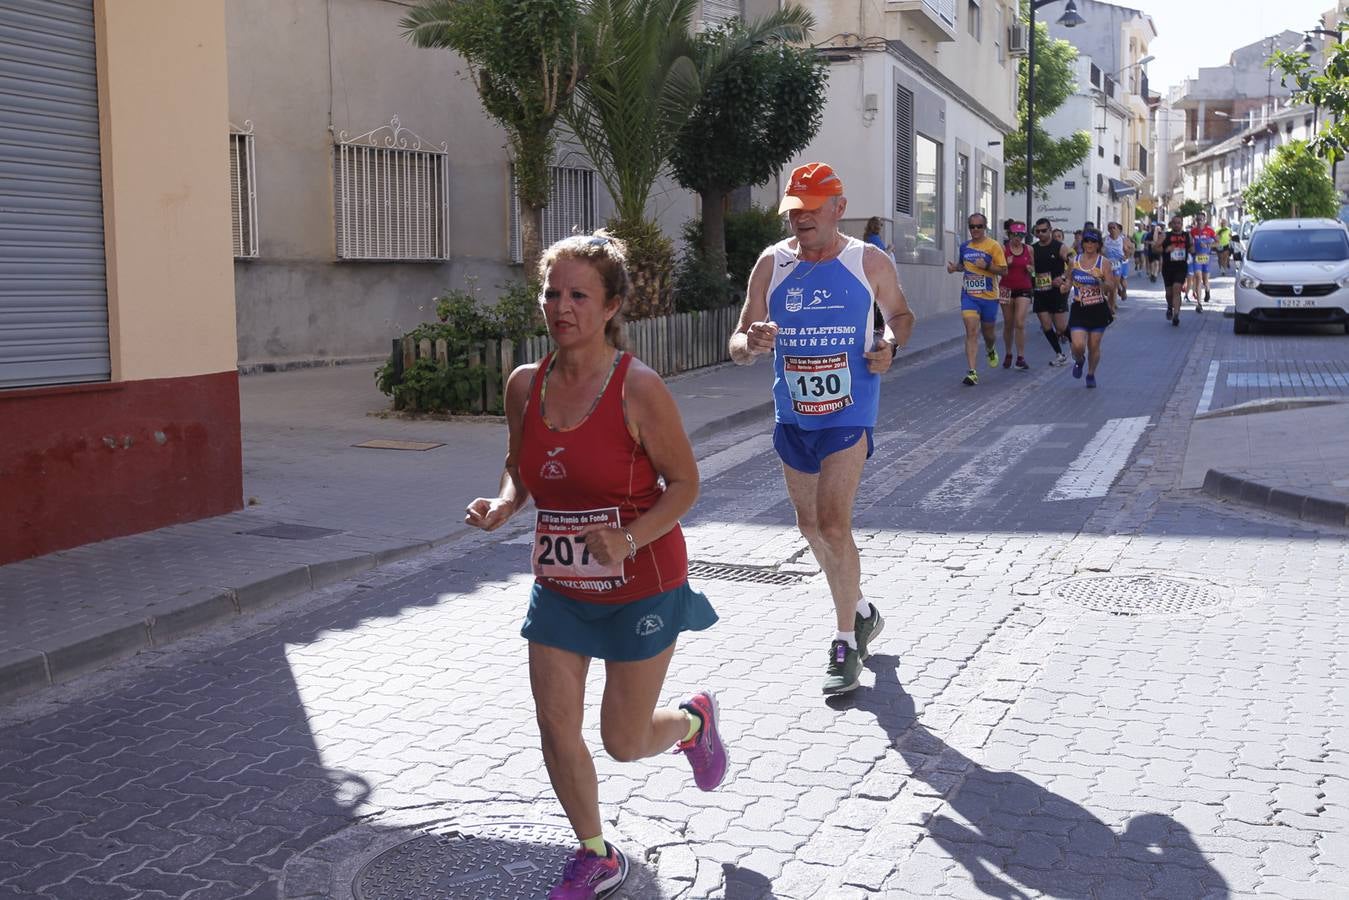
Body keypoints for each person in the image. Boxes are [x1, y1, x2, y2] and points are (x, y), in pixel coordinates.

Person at [466, 232, 728, 900]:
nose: (561, 307)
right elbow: (520, 464)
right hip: (560, 587)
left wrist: (630, 537)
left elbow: (686, 485)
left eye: (578, 295)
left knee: (623, 740)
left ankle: (693, 722)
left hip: (642, 584)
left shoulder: (638, 388)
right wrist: (503, 501)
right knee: (555, 725)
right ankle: (594, 851)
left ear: (611, 306)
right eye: (552, 293)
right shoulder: (525, 383)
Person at [730, 161, 915, 695]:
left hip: (848, 412)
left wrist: (889, 347)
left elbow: (900, 316)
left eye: (812, 210)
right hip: (794, 414)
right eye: (794, 211)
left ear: (839, 208)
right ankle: (859, 611)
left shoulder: (867, 261)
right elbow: (738, 339)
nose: (801, 221)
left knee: (834, 526)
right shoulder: (772, 263)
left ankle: (844, 642)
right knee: (809, 527)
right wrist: (751, 344)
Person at [947, 212, 1008, 386]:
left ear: (985, 227)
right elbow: (962, 265)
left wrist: (988, 266)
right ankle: (972, 372)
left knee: (988, 334)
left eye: (979, 226)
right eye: (972, 227)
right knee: (971, 330)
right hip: (969, 296)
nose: (975, 230)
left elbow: (1004, 271)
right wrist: (954, 268)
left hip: (989, 297)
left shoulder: (994, 246)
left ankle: (990, 349)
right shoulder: (965, 247)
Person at [1065, 228, 1117, 389]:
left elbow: (1111, 286)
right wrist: (1064, 286)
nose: (1089, 244)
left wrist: (1100, 283)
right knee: (1078, 345)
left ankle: (1091, 373)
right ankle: (1079, 360)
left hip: (1097, 308)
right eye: (1087, 241)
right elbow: (1067, 279)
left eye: (1093, 241)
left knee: (1094, 346)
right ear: (1083, 243)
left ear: (1098, 244)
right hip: (1079, 307)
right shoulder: (1075, 261)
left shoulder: (1104, 263)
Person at [1032, 217, 1073, 366]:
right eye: (1038, 231)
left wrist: (1062, 277)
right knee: (1046, 325)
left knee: (1061, 327)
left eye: (1044, 231)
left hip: (1056, 292)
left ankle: (1076, 345)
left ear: (1050, 230)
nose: (1041, 234)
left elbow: (1072, 263)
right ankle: (1059, 354)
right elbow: (1029, 268)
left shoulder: (1059, 247)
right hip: (1040, 291)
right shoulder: (1033, 248)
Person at [999, 221, 1033, 371]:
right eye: (1015, 235)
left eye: (1021, 235)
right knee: (1008, 323)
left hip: (1024, 289)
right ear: (1009, 235)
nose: (1018, 238)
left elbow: (1034, 270)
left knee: (1019, 322)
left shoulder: (1029, 249)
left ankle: (1020, 356)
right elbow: (997, 270)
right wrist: (1006, 264)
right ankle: (1008, 353)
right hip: (1006, 288)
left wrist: (1031, 269)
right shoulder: (1003, 249)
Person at [1154, 214, 1192, 327]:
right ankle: (1170, 307)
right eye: (1174, 223)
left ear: (1182, 224)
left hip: (1181, 267)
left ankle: (1176, 315)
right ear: (1171, 224)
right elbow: (1155, 248)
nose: (1177, 225)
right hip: (1168, 267)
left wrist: (1195, 248)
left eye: (1179, 223)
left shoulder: (1187, 235)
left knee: (1177, 289)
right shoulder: (1166, 235)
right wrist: (1166, 249)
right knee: (1169, 293)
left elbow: (1191, 248)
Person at [1190, 212, 1217, 311]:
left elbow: (1218, 243)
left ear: (1205, 220)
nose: (1199, 221)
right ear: (1195, 221)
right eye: (1198, 220)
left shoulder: (1210, 231)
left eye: (1201, 219)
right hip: (1196, 258)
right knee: (1198, 278)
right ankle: (1199, 303)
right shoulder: (1193, 231)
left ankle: (1207, 290)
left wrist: (1208, 246)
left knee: (1205, 280)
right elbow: (1190, 244)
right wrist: (1191, 248)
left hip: (1207, 258)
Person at [1103, 221, 1133, 302]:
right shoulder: (1105, 239)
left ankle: (1123, 290)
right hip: (1111, 263)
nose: (1112, 230)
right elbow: (1101, 250)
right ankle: (1113, 303)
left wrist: (1127, 255)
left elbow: (1132, 248)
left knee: (1122, 281)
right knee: (1112, 282)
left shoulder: (1124, 239)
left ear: (1118, 230)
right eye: (1110, 228)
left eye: (1114, 228)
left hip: (1123, 263)